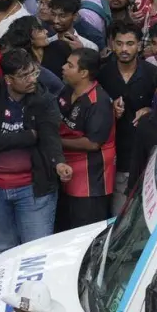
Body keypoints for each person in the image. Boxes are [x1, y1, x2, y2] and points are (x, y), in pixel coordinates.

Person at [0, 49, 67, 253]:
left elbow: (49, 136)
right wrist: (26, 137)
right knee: (4, 249)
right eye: (24, 76)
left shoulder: (43, 98)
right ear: (8, 79)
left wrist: (59, 162)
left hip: (34, 188)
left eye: (33, 73)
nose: (32, 80)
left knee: (36, 250)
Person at [57, 48, 115, 228]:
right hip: (67, 175)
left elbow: (93, 143)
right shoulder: (67, 90)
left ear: (83, 73)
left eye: (70, 65)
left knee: (86, 234)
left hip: (90, 184)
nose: (63, 67)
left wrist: (54, 141)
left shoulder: (99, 102)